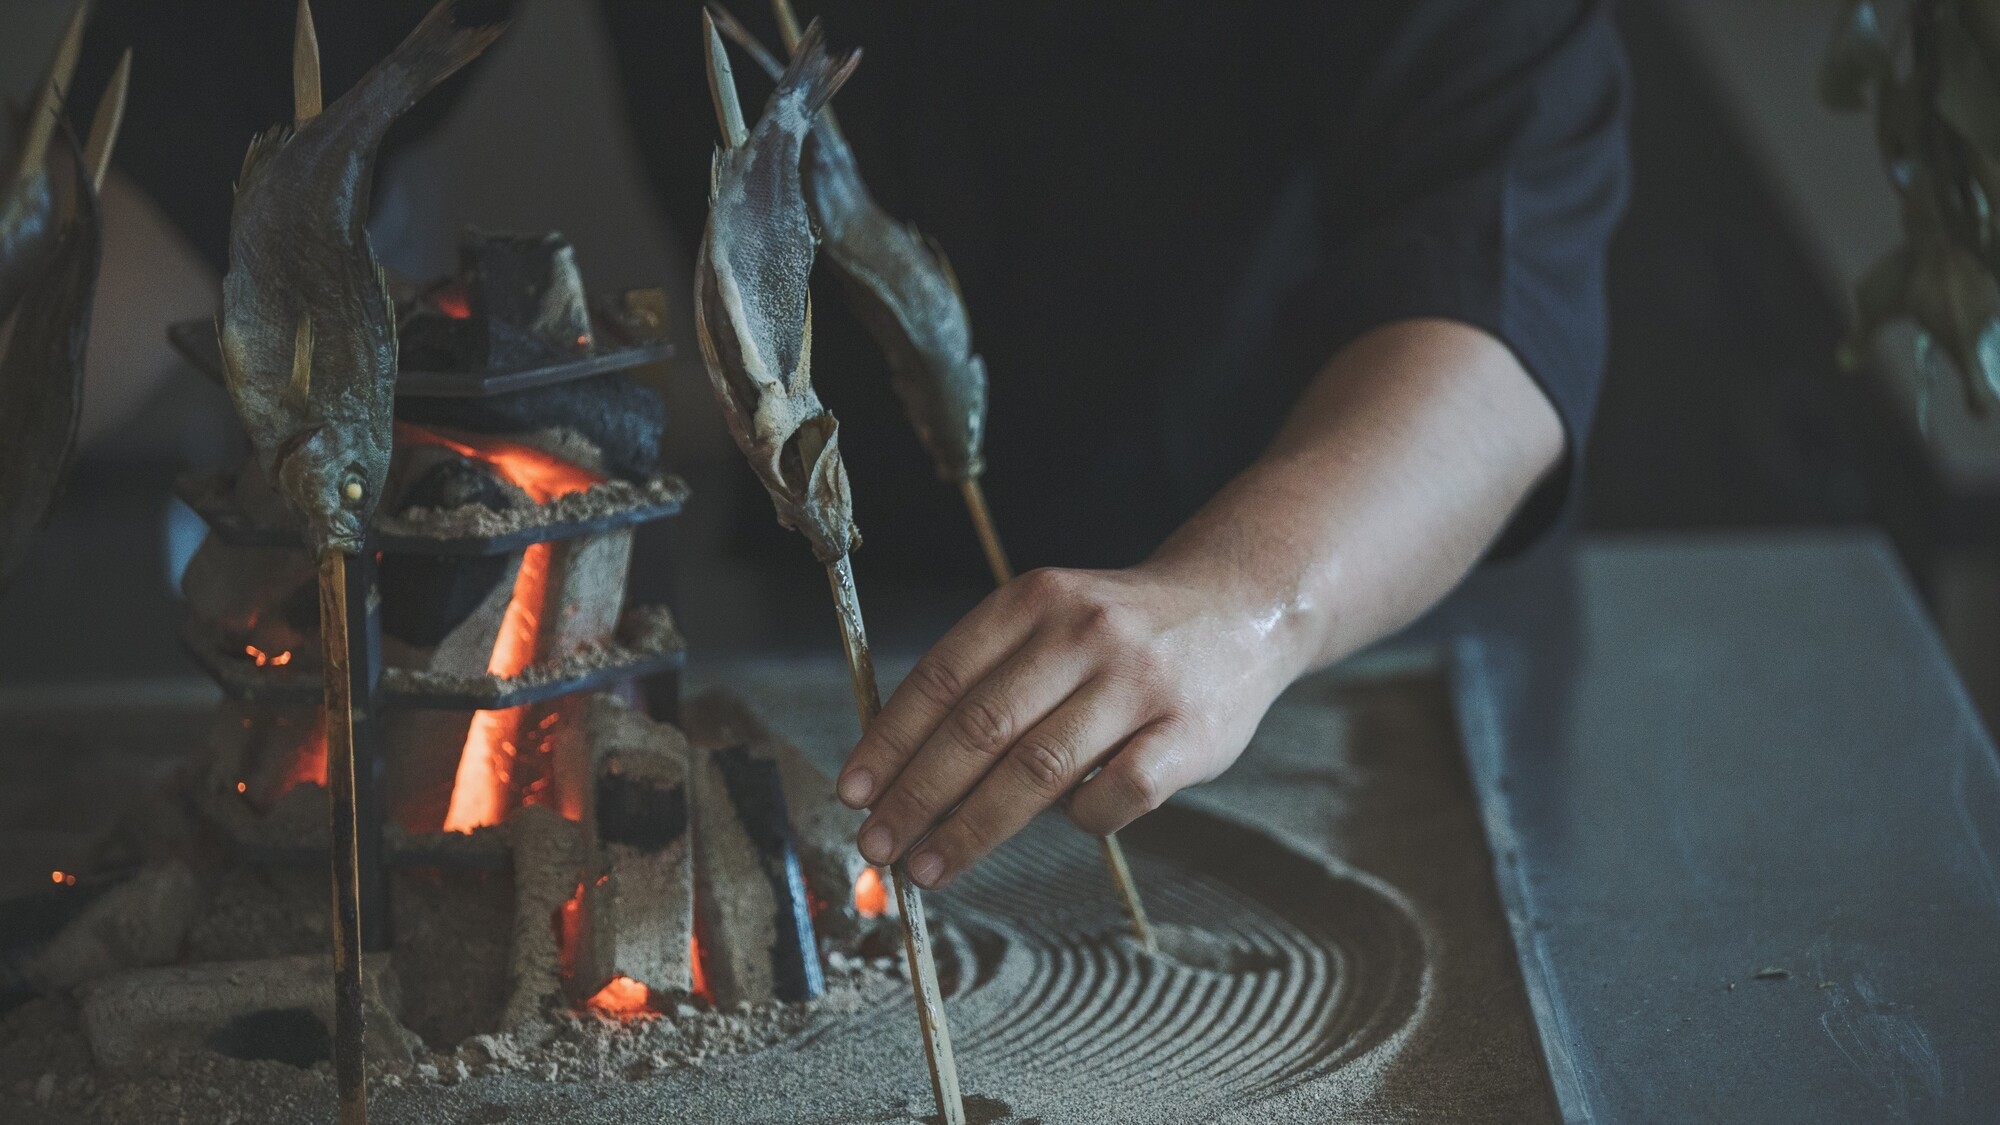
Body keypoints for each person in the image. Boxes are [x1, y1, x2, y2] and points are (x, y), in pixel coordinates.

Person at [79, 0, 1628, 887]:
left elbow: (1498, 268)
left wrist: (1246, 601)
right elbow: (189, 143)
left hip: (1339, 591)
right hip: (843, 581)